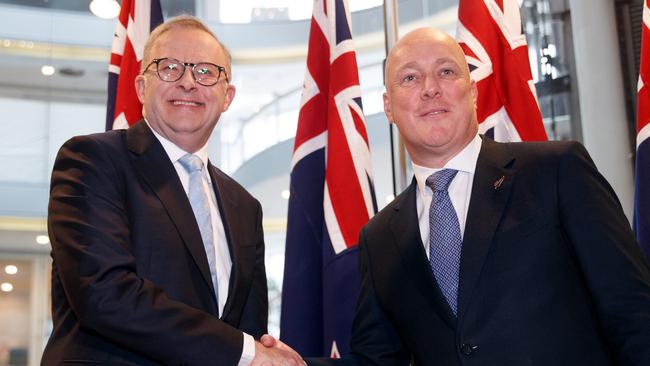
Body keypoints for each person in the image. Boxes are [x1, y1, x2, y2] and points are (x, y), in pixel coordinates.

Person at [303, 27, 650, 365]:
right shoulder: (378, 238)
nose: (430, 89)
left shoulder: (556, 171)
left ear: (472, 92)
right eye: (409, 78)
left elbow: (633, 312)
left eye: (446, 71)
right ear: (389, 107)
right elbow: (376, 359)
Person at [42, 15, 302, 366]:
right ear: (140, 87)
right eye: (170, 68)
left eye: (206, 72)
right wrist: (246, 350)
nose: (188, 83)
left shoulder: (244, 205)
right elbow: (104, 294)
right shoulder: (92, 161)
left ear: (227, 96)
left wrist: (258, 350)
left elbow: (246, 329)